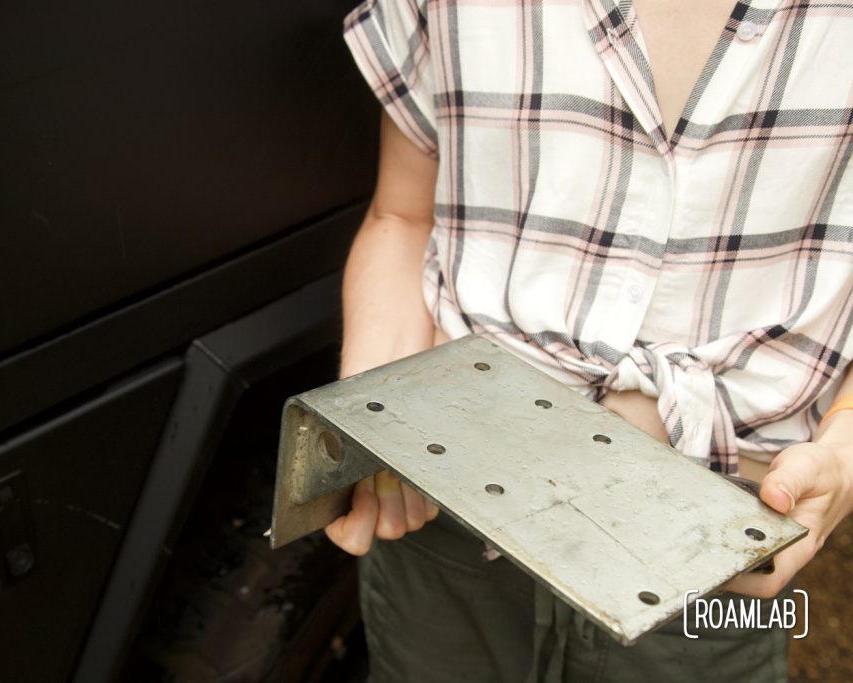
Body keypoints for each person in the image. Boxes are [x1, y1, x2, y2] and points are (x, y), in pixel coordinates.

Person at [326, 0, 853, 680]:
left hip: (729, 546)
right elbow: (402, 214)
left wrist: (843, 453)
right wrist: (376, 424)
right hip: (445, 521)